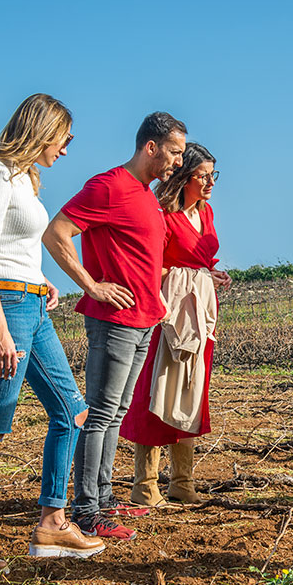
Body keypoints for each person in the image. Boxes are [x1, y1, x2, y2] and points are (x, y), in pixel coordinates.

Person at [0, 93, 105, 577]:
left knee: (72, 411)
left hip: (31, 304)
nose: (66, 148)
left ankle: (53, 523)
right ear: (43, 128)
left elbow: (16, 250)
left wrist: (43, 283)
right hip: (6, 311)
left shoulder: (25, 180)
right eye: (65, 137)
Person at [43, 112, 188, 541]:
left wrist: (157, 298)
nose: (178, 162)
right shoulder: (108, 186)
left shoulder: (146, 194)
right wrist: (92, 285)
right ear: (151, 147)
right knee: (101, 414)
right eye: (175, 152)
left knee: (117, 413)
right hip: (115, 322)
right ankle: (86, 511)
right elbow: (57, 233)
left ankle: (104, 500)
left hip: (145, 319)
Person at [121, 143, 231, 507]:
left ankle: (183, 481)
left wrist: (208, 275)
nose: (211, 181)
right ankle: (145, 482)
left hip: (199, 313)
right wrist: (183, 279)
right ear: (185, 178)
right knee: (157, 387)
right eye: (204, 175)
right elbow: (151, 264)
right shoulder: (163, 214)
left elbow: (197, 259)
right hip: (168, 312)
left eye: (214, 174)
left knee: (192, 389)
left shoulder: (209, 213)